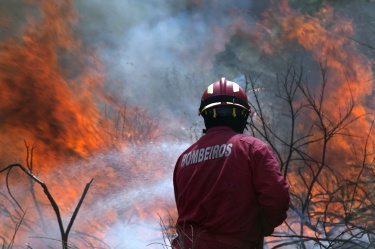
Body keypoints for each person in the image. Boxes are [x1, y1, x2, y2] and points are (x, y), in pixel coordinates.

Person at [172, 78, 290, 249]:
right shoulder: (252, 149)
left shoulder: (184, 159)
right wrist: (262, 226)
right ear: (243, 115)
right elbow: (277, 199)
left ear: (204, 115)